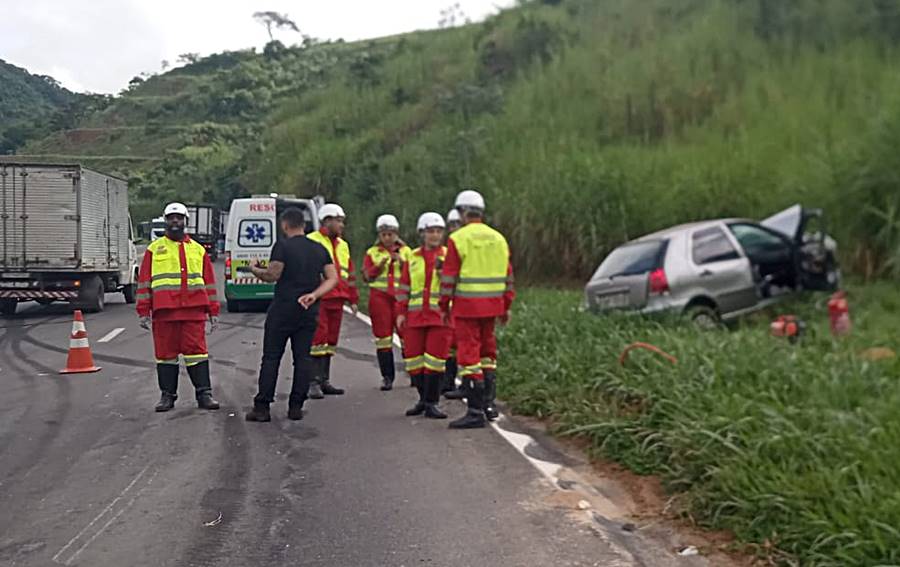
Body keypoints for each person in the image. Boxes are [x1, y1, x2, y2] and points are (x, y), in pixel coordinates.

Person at [244, 208, 339, 422]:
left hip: (282, 310)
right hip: (307, 311)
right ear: (304, 225)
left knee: (271, 357)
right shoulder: (319, 248)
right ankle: (296, 406)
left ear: (284, 225)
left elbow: (272, 275)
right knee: (303, 359)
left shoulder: (282, 246)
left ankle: (262, 407)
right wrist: (314, 295)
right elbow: (333, 278)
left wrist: (254, 269)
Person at [440, 190, 515, 429]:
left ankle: (474, 411)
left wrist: (444, 305)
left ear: (462, 212)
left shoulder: (458, 239)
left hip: (467, 307)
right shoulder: (499, 238)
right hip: (492, 307)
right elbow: (508, 277)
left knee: (469, 356)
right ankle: (488, 404)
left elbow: (449, 277)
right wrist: (506, 306)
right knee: (487, 353)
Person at [137, 202, 221, 412]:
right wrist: (143, 311)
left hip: (193, 312)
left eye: (179, 218)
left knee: (197, 354)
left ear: (185, 221)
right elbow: (144, 282)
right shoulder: (154, 250)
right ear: (165, 221)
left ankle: (204, 394)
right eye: (171, 218)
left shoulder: (198, 250)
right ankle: (167, 396)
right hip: (164, 313)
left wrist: (213, 311)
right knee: (165, 356)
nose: (175, 221)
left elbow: (209, 283)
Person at [396, 212, 452, 419]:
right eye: (430, 231)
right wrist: (401, 312)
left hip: (440, 317)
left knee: (435, 362)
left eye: (438, 231)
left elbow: (457, 283)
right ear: (422, 233)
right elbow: (404, 287)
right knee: (413, 362)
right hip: (415, 317)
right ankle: (422, 399)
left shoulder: (449, 256)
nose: (435, 235)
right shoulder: (412, 257)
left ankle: (432, 402)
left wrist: (444, 272)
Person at [306, 203, 358, 398]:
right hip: (320, 297)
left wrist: (353, 298)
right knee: (318, 339)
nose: (342, 225)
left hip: (338, 298)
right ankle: (312, 382)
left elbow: (349, 273)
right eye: (339, 221)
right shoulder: (312, 240)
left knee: (330, 340)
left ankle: (324, 380)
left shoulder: (343, 245)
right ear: (327, 221)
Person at [362, 214, 411, 391]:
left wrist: (402, 263)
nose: (387, 238)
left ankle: (414, 374)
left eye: (390, 234)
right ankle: (387, 377)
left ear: (396, 234)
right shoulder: (372, 252)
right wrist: (379, 265)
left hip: (401, 298)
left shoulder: (407, 252)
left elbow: (415, 273)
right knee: (383, 339)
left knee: (408, 336)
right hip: (380, 298)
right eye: (384, 234)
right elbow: (366, 276)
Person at [442, 208, 464, 398]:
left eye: (457, 224)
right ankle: (448, 382)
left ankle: (467, 385)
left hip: (464, 302)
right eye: (451, 225)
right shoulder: (447, 249)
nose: (454, 229)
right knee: (450, 344)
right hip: (452, 303)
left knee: (464, 345)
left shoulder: (463, 245)